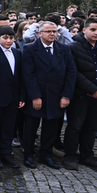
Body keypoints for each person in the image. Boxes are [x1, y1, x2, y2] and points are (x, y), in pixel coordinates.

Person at [20, 21, 77, 169]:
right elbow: (28, 74)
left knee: (51, 127)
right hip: (37, 93)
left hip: (56, 95)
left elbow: (71, 72)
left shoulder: (64, 48)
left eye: (54, 31)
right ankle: (28, 154)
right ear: (40, 33)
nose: (52, 34)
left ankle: (46, 154)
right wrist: (35, 96)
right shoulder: (30, 49)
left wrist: (66, 95)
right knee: (31, 127)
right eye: (48, 31)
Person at [63, 17, 97, 170]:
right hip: (80, 94)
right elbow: (73, 72)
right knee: (75, 126)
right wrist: (91, 89)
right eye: (93, 29)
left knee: (92, 127)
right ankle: (70, 155)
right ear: (84, 30)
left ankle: (87, 155)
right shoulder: (73, 47)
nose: (96, 33)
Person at [0, 26, 24, 169]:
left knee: (9, 127)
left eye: (11, 38)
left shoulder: (17, 53)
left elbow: (21, 76)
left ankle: (7, 153)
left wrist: (21, 96)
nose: (8, 41)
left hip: (13, 97)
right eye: (5, 38)